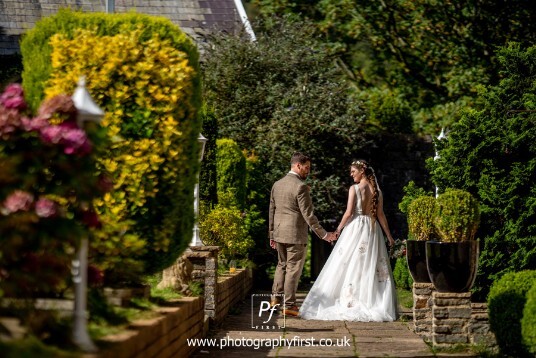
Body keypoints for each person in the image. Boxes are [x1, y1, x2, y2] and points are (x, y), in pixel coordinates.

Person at [299, 159, 397, 321]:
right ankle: (369, 299)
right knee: (368, 264)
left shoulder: (355, 189)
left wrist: (338, 230)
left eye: (353, 172)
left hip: (356, 228)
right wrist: (389, 236)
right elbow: (381, 215)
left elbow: (349, 213)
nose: (351, 175)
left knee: (346, 262)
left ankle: (350, 300)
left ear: (362, 171)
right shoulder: (377, 191)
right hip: (372, 230)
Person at [269, 152, 336, 316]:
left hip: (279, 233)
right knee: (292, 269)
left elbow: (272, 210)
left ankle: (274, 300)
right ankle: (290, 305)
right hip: (295, 234)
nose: (308, 171)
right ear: (298, 165)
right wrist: (324, 234)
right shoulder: (300, 186)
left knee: (281, 266)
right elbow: (308, 214)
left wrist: (271, 234)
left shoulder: (277, 184)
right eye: (306, 168)